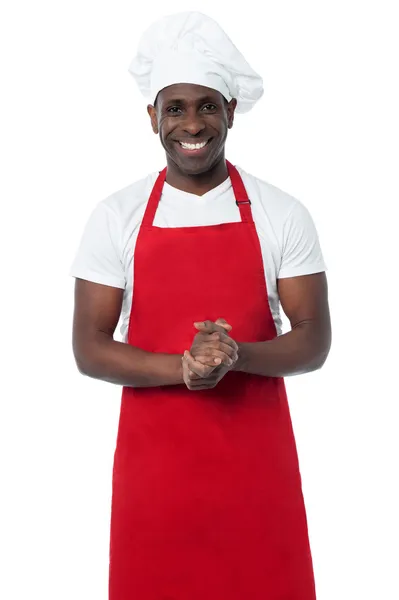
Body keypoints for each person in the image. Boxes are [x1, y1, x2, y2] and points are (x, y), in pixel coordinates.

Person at [70, 10, 331, 600]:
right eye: (176, 108)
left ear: (231, 113)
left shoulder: (280, 214)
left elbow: (313, 338)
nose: (193, 123)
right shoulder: (116, 217)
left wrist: (234, 356)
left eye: (208, 105)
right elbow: (89, 346)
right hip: (155, 477)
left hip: (256, 472)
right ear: (152, 118)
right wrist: (182, 368)